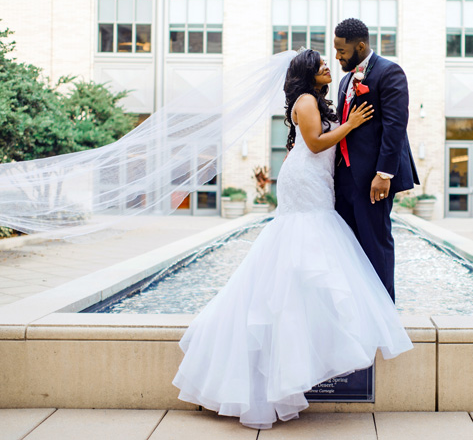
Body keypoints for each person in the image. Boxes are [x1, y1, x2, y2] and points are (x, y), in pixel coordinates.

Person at [172, 48, 413, 430]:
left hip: (313, 176)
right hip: (307, 180)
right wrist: (350, 125)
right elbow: (316, 143)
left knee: (313, 245)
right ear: (307, 73)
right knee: (307, 239)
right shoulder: (304, 100)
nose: (327, 67)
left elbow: (311, 144)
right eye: (320, 65)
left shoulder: (313, 99)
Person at [333, 18, 420, 302]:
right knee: (347, 248)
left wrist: (384, 174)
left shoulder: (389, 72)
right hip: (344, 178)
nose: (337, 57)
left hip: (373, 178)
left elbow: (395, 126)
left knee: (376, 244)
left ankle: (384, 315)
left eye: (342, 51)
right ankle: (358, 310)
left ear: (360, 46)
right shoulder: (346, 80)